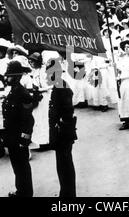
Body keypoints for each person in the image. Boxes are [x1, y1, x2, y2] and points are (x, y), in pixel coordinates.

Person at [2, 60, 35, 197]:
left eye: (9, 76)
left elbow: (28, 120)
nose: (6, 78)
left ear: (15, 77)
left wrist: (24, 139)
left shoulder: (22, 93)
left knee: (22, 166)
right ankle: (21, 191)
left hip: (19, 137)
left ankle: (26, 193)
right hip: (11, 136)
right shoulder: (12, 92)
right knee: (17, 166)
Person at [46, 57, 77, 197]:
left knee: (65, 165)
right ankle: (65, 192)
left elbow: (68, 111)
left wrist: (60, 124)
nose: (49, 75)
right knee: (62, 164)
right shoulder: (58, 86)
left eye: (51, 73)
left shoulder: (62, 87)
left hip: (63, 132)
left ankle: (68, 195)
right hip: (60, 132)